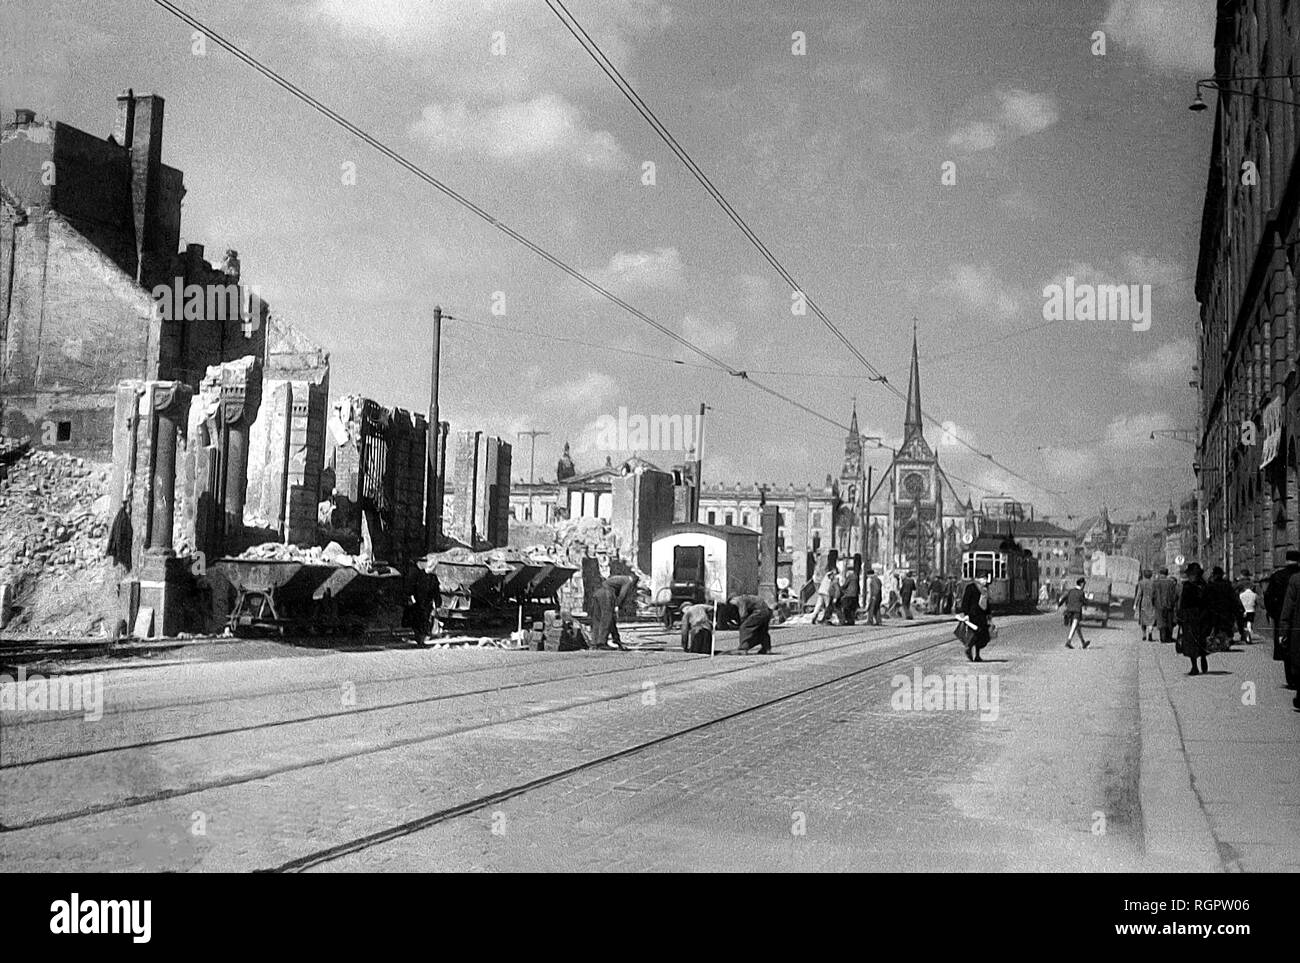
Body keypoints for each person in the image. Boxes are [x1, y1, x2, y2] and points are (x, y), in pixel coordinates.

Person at [1264, 550, 1300, 680]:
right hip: (1297, 616)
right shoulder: (1297, 576)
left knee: (1285, 645)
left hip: (1281, 615)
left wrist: (1272, 613)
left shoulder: (1277, 576)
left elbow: (1268, 596)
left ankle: (1290, 677)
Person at [1177, 562, 1210, 676]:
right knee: (1199, 639)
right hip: (1201, 616)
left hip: (1192, 616)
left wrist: (1180, 616)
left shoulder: (1188, 586)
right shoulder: (1205, 586)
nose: (1191, 577)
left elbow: (1183, 603)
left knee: (1192, 640)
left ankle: (1196, 665)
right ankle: (1200, 660)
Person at [590, 574, 637, 650]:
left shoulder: (619, 578)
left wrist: (617, 639)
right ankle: (602, 643)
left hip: (598, 592)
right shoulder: (628, 581)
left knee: (597, 619)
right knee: (607, 618)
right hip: (606, 593)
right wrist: (618, 605)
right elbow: (622, 594)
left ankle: (594, 643)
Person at [1204, 565, 1243, 653]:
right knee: (1226, 628)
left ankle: (1215, 643)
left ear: (1214, 575)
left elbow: (1205, 599)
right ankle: (1224, 643)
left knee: (1215, 628)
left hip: (1213, 612)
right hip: (1226, 612)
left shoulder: (1210, 586)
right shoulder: (1227, 586)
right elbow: (1233, 599)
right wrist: (1236, 610)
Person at [957, 573, 992, 661]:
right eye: (982, 578)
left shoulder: (984, 588)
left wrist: (989, 613)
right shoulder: (971, 587)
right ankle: (969, 648)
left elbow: (987, 601)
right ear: (977, 578)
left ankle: (977, 655)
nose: (984, 580)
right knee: (975, 634)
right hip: (974, 615)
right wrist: (965, 613)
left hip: (981, 615)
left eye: (985, 578)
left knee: (981, 636)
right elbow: (966, 601)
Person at [1150, 567, 1180, 645]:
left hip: (1158, 605)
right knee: (1169, 621)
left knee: (1161, 621)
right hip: (1169, 605)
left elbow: (1152, 595)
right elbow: (1175, 595)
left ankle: (1162, 637)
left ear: (1160, 573)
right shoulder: (1171, 583)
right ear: (1167, 574)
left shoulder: (1155, 583)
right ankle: (1168, 637)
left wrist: (1153, 603)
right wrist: (1173, 603)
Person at [1058, 576, 1088, 649]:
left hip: (1069, 611)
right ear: (1081, 584)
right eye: (1084, 584)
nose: (1084, 586)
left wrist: (1059, 604)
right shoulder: (1081, 593)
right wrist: (1086, 601)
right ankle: (1069, 641)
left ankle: (1083, 642)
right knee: (1074, 626)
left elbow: (1064, 598)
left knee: (1077, 627)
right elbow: (1084, 602)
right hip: (1076, 611)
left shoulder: (1071, 591)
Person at [1133, 569, 1155, 641]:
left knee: (1143, 618)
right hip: (1152, 602)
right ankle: (1150, 633)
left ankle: (1144, 634)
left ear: (1144, 575)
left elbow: (1139, 594)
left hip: (1144, 602)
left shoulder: (1141, 583)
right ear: (1151, 575)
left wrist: (1135, 604)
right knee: (1151, 618)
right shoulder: (1153, 583)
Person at [1238, 579, 1258, 644]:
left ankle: (1246, 636)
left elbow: (1239, 603)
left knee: (1244, 624)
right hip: (1251, 610)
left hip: (1244, 611)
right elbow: (1256, 603)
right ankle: (1248, 636)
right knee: (1249, 623)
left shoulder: (1241, 595)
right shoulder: (1254, 595)